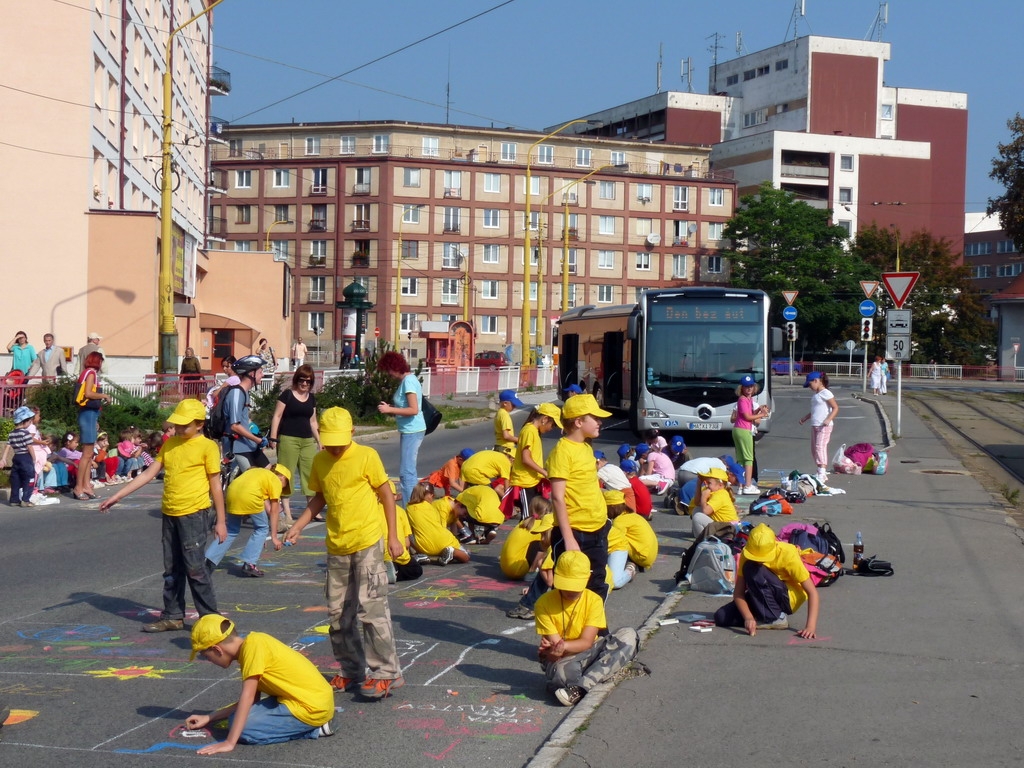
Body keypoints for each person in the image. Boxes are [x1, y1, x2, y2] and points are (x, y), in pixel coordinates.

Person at [284, 407, 405, 700]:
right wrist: (298, 525)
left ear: (351, 433)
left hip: (366, 542)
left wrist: (393, 536)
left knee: (371, 608)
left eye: (340, 440)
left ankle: (386, 673)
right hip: (336, 545)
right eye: (330, 441)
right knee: (339, 614)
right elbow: (320, 497)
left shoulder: (366, 456)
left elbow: (386, 494)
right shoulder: (321, 460)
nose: (335, 447)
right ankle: (352, 670)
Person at [100, 398, 227, 632]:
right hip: (170, 512)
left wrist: (220, 520)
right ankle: (173, 615)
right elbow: (148, 474)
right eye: (177, 425)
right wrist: (117, 496)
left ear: (199, 424)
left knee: (195, 569)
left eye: (184, 425)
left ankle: (210, 618)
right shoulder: (170, 445)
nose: (179, 429)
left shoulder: (207, 447)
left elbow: (215, 485)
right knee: (171, 569)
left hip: (194, 514)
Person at [185, 614, 335, 754]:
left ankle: (314, 730)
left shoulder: (252, 649)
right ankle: (311, 725)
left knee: (243, 730)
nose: (208, 660)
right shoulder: (253, 643)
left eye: (206, 656)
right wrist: (210, 717)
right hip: (308, 698)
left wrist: (230, 742)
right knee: (237, 719)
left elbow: (248, 697)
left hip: (311, 708)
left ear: (217, 649)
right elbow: (252, 701)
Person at [534, 550, 639, 707]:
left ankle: (580, 689)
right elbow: (558, 651)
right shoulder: (543, 603)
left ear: (588, 577)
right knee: (562, 675)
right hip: (567, 659)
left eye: (575, 585)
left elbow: (587, 642)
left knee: (629, 635)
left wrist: (562, 646)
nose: (570, 591)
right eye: (566, 585)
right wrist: (553, 654)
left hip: (591, 650)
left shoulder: (593, 600)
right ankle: (600, 673)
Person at [548, 394, 612, 600]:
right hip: (575, 531)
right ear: (578, 422)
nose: (600, 422)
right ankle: (565, 629)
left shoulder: (585, 446)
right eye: (595, 417)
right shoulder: (563, 451)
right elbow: (558, 497)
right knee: (569, 587)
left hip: (597, 527)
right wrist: (568, 539)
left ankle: (596, 631)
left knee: (597, 583)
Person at [714, 523, 820, 638]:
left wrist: (810, 626)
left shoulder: (788, 553)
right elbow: (738, 593)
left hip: (787, 599)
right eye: (755, 557)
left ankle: (776, 618)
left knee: (754, 570)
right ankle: (763, 616)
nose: (759, 561)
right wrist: (748, 617)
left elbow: (812, 592)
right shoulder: (747, 552)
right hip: (762, 593)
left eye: (763, 558)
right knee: (721, 617)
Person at [205, 465, 290, 577]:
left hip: (232, 492)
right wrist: (274, 536)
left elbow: (266, 507)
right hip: (250, 495)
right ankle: (250, 564)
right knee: (262, 528)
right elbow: (274, 511)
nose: (283, 488)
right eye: (286, 484)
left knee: (231, 530)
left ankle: (208, 562)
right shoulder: (276, 480)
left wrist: (259, 541)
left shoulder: (259, 473)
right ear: (282, 477)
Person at [269, 364, 321, 528]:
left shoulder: (311, 398)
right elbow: (277, 416)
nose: (304, 383)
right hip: (288, 439)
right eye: (302, 380)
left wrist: (320, 441)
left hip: (307, 441)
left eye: (308, 381)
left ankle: (313, 511)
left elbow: (313, 421)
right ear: (296, 379)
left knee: (310, 474)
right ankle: (288, 514)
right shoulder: (287, 395)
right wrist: (273, 437)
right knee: (286, 474)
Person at [376, 351, 425, 507]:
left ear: (394, 367)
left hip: (412, 430)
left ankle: (410, 507)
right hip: (409, 430)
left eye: (388, 370)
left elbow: (413, 409)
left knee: (407, 473)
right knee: (407, 472)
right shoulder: (408, 381)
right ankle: (411, 504)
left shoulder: (408, 382)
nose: (388, 374)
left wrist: (390, 410)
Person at [509, 402, 562, 518]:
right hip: (524, 482)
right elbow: (526, 458)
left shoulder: (534, 432)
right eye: (552, 425)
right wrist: (544, 472)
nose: (551, 429)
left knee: (536, 516)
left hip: (532, 481)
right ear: (545, 419)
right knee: (528, 519)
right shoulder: (529, 431)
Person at [72, 351, 112, 500]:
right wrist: (104, 395)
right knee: (87, 454)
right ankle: (79, 487)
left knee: (88, 455)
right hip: (88, 414)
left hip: (89, 415)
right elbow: (88, 393)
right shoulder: (91, 373)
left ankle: (86, 485)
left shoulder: (86, 372)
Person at [405, 482, 467, 566]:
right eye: (432, 496)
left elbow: (408, 532)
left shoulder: (408, 508)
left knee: (412, 536)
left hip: (423, 546)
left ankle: (426, 556)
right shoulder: (432, 507)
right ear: (429, 495)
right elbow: (440, 526)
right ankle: (451, 551)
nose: (433, 499)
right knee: (465, 556)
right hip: (443, 540)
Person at [225, 355, 269, 472]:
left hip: (249, 445)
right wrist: (257, 440)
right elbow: (234, 425)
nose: (263, 375)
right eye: (260, 372)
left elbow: (244, 420)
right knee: (252, 482)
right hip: (239, 447)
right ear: (251, 374)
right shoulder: (236, 393)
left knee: (270, 475)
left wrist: (256, 432)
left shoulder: (244, 393)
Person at [799, 371, 840, 485]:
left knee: (820, 447)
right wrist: (805, 418)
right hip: (815, 424)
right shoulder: (816, 395)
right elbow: (814, 411)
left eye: (810, 384)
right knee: (814, 449)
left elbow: (835, 407)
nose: (810, 387)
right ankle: (819, 470)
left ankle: (822, 472)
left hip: (824, 426)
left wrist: (828, 419)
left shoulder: (825, 393)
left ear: (817, 381)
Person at [732, 374, 768, 495]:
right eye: (746, 387)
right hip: (743, 430)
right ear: (742, 388)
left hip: (739, 429)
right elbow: (747, 417)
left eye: (751, 386)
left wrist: (758, 410)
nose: (749, 389)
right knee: (748, 459)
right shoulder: (742, 399)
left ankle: (741, 485)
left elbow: (749, 413)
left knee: (741, 459)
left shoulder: (748, 399)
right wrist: (762, 415)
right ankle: (748, 485)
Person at [0, 406, 41, 506]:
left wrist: (3, 459)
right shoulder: (26, 433)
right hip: (26, 457)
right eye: (29, 421)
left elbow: (8, 447)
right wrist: (34, 459)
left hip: (16, 457)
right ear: (25, 421)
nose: (30, 423)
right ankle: (25, 500)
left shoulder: (11, 434)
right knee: (29, 478)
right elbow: (29, 447)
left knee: (16, 478)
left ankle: (14, 500)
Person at [686, 467, 739, 537]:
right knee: (697, 509)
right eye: (705, 482)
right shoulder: (714, 491)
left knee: (698, 517)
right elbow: (697, 503)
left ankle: (703, 540)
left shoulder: (720, 495)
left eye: (709, 483)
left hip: (728, 529)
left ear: (720, 485)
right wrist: (699, 484)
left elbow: (706, 511)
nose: (706, 485)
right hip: (722, 525)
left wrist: (704, 497)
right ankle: (702, 534)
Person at [495, 389, 524, 454]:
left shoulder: (499, 413)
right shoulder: (504, 415)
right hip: (506, 449)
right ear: (505, 403)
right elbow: (506, 436)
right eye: (513, 404)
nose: (515, 406)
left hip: (500, 446)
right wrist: (520, 440)